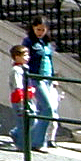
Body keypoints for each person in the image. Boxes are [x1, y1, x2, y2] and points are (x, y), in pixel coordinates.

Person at [23, 16, 59, 148]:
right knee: (47, 108)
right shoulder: (29, 42)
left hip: (47, 77)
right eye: (38, 29)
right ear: (33, 28)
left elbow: (49, 60)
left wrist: (53, 77)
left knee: (44, 109)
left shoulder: (46, 42)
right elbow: (24, 58)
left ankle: (37, 137)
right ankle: (37, 142)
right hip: (36, 78)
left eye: (43, 30)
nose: (40, 32)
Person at [7, 44, 37, 151]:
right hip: (20, 100)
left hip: (27, 98)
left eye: (28, 55)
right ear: (17, 57)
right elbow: (18, 86)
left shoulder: (24, 68)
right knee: (23, 122)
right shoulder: (16, 70)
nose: (28, 57)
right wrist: (22, 97)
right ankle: (21, 146)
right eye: (25, 55)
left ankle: (15, 133)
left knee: (32, 119)